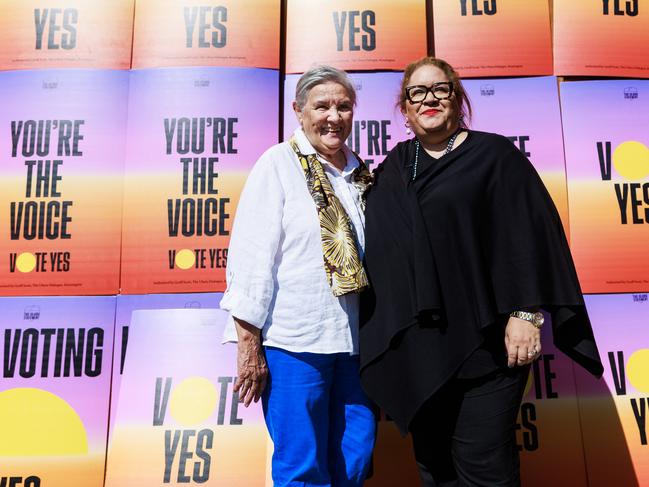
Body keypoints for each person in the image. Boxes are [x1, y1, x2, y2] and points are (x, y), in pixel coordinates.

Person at [359, 57, 603, 486]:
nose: (429, 98)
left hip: (487, 346)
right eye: (418, 92)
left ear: (458, 98)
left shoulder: (494, 155)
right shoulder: (394, 167)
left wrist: (526, 312)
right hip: (422, 350)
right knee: (435, 468)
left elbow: (529, 234)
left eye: (441, 89)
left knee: (484, 465)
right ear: (405, 107)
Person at [220, 65, 375, 487]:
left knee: (355, 458)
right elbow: (252, 258)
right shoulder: (277, 165)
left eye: (344, 106)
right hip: (296, 342)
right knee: (302, 466)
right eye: (321, 105)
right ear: (299, 112)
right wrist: (248, 344)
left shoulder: (361, 173)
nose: (333, 116)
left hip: (357, 342)